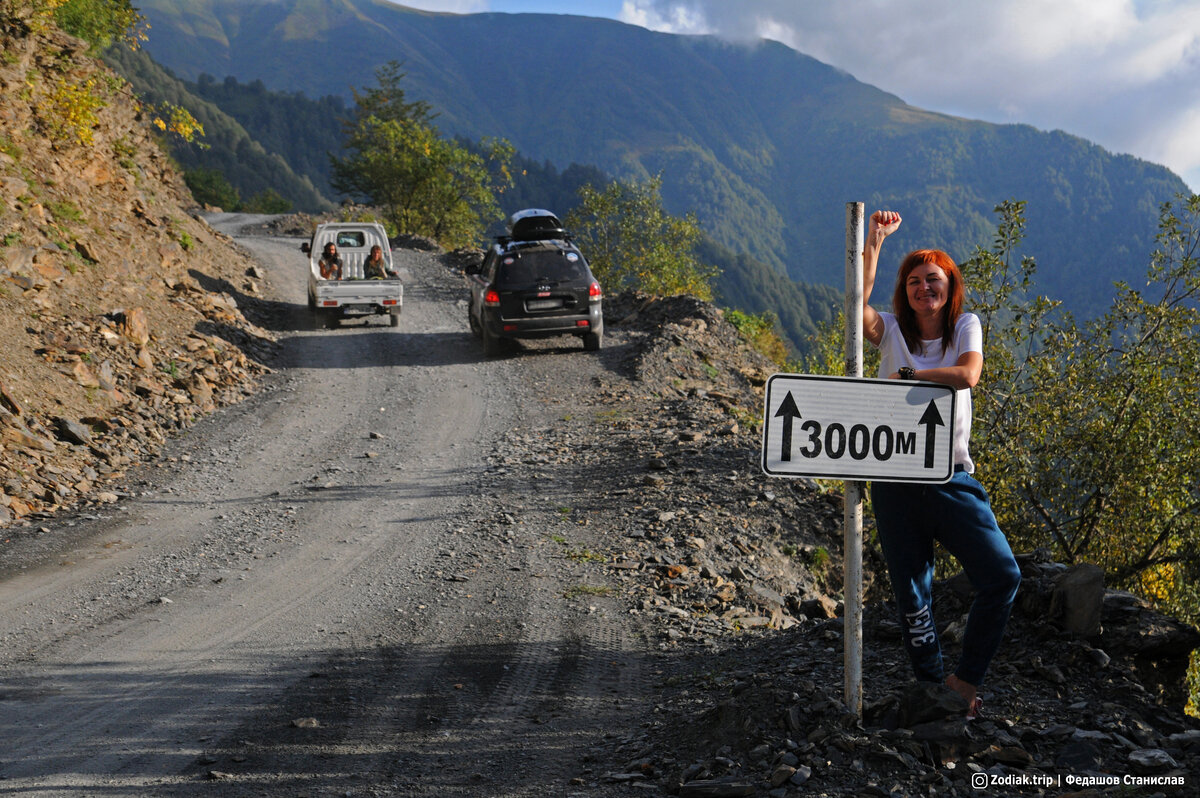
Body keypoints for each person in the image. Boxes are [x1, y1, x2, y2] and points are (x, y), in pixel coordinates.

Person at [862, 209, 1021, 718]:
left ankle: (965, 681)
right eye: (913, 282)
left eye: (933, 279)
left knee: (1001, 574)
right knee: (912, 596)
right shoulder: (888, 330)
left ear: (951, 286)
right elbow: (854, 305)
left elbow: (969, 374)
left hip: (951, 475)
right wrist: (877, 241)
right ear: (904, 292)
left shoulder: (965, 326)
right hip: (894, 480)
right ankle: (935, 692)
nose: (923, 288)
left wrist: (909, 375)